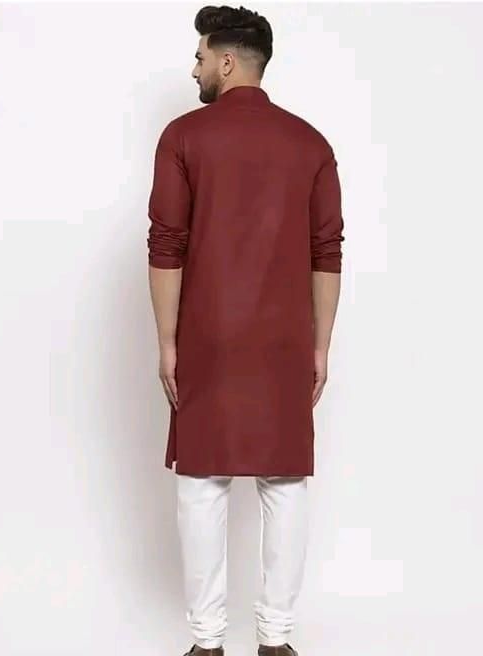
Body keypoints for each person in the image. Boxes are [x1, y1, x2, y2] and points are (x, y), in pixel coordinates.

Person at [146, 5, 345, 656]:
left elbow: (166, 244)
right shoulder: (311, 144)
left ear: (227, 61)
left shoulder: (183, 137)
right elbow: (326, 252)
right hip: (285, 338)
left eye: (201, 56)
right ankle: (276, 641)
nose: (195, 68)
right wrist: (320, 344)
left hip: (207, 334)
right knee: (284, 483)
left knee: (201, 484)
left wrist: (167, 341)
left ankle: (206, 644)